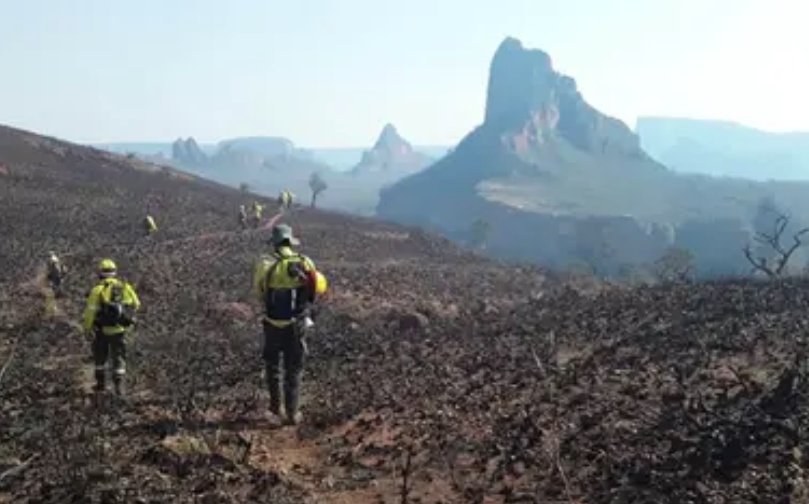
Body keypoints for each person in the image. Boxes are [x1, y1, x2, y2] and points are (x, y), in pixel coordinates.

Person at [253, 224, 328, 425]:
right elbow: (317, 290)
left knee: (273, 367)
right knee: (293, 368)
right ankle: (292, 413)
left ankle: (275, 410)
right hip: (296, 325)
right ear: (290, 241)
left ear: (275, 244)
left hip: (272, 324)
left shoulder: (265, 265)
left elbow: (259, 292)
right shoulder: (306, 262)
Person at [82, 259, 141, 396]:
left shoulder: (97, 290)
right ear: (115, 272)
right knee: (119, 357)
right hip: (120, 330)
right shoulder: (125, 287)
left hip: (101, 331)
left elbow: (90, 313)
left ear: (100, 273)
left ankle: (100, 385)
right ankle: (119, 387)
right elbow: (136, 304)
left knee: (100, 357)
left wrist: (87, 328)